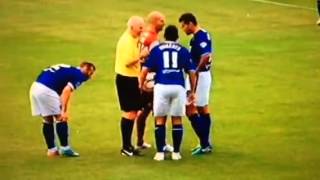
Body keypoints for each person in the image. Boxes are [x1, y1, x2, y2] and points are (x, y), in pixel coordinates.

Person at [139, 25, 197, 161]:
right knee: (177, 119)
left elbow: (145, 70)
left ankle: (160, 152)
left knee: (160, 119)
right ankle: (176, 153)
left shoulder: (157, 49)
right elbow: (192, 72)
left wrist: (141, 85)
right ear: (177, 37)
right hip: (178, 86)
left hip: (162, 86)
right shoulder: (183, 50)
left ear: (165, 36)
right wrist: (192, 90)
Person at [29, 62, 96, 157]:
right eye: (90, 73)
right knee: (61, 118)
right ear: (88, 70)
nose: (90, 76)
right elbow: (66, 91)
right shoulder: (81, 75)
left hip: (35, 88)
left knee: (47, 120)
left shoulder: (69, 69)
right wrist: (63, 111)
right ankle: (65, 148)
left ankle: (52, 150)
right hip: (47, 90)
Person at [179, 12, 214, 155]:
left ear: (190, 23)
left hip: (200, 77)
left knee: (190, 109)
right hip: (200, 76)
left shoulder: (200, 37)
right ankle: (205, 144)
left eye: (183, 26)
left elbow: (206, 56)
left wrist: (196, 71)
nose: (183, 29)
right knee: (202, 109)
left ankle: (205, 143)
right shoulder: (199, 36)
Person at [115, 16, 146, 157]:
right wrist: (141, 56)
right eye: (140, 27)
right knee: (129, 112)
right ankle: (126, 147)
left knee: (133, 111)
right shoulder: (126, 41)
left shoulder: (133, 38)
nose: (142, 30)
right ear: (132, 27)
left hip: (131, 78)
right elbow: (127, 62)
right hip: (126, 79)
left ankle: (128, 145)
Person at [135, 11, 165, 149]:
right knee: (158, 110)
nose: (163, 23)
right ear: (154, 21)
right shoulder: (152, 39)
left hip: (142, 75)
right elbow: (154, 59)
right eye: (161, 21)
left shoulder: (143, 35)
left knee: (144, 110)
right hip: (150, 78)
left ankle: (140, 141)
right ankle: (162, 144)